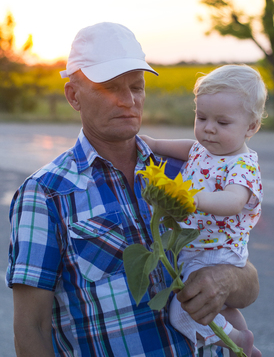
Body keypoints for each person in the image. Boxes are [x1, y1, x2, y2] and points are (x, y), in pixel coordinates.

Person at [6, 23, 260, 357]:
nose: (128, 100)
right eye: (110, 88)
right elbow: (31, 329)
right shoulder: (46, 194)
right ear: (73, 96)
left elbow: (248, 282)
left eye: (136, 87)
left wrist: (225, 279)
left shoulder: (185, 170)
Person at [141, 64, 267, 357]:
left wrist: (195, 198)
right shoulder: (204, 148)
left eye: (222, 123)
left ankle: (236, 340)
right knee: (222, 307)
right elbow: (188, 148)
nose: (208, 128)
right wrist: (156, 144)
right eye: (201, 117)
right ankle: (242, 342)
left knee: (184, 311)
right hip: (197, 246)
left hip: (217, 251)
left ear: (251, 127)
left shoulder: (242, 165)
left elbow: (234, 201)